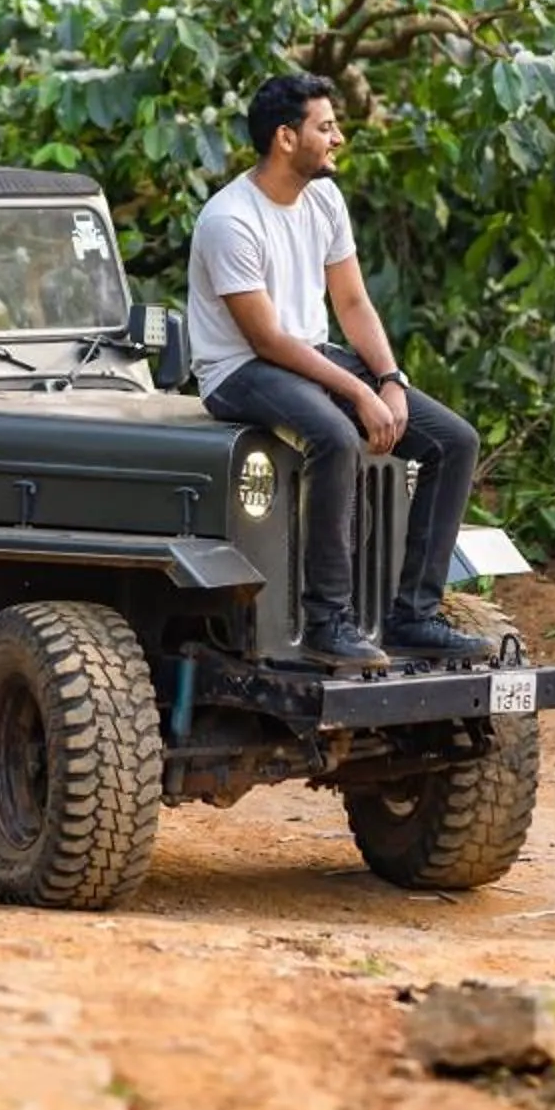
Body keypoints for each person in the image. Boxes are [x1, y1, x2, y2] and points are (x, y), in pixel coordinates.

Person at [186, 73, 487, 671]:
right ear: (285, 138)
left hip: (312, 354)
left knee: (454, 441)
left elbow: (352, 303)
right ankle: (328, 620)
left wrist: (390, 379)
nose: (339, 137)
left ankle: (412, 615)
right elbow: (265, 338)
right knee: (334, 435)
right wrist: (356, 391)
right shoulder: (231, 220)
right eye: (326, 127)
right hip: (238, 368)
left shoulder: (324, 198)